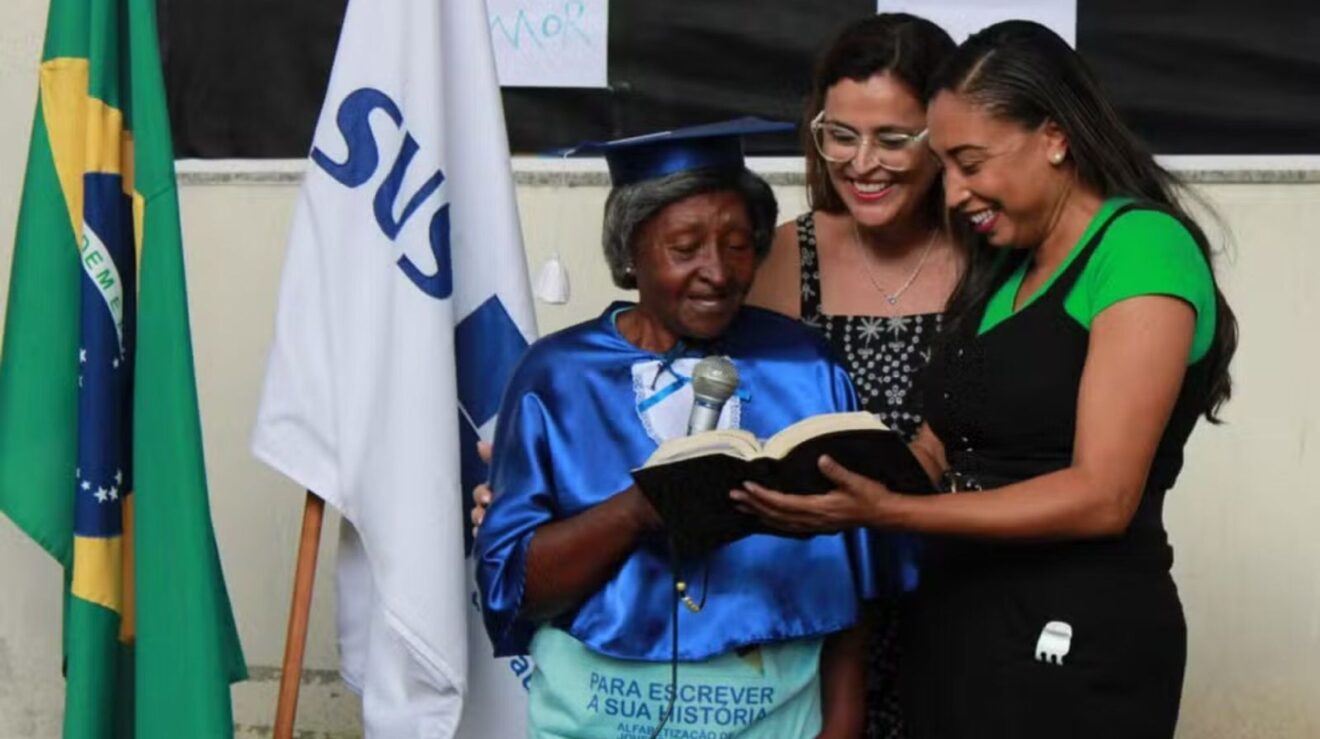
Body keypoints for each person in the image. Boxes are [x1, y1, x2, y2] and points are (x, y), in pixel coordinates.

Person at [733, 20, 1238, 739]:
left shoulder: (1140, 247)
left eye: (970, 161)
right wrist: (802, 490)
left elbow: (1103, 495)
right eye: (946, 164)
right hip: (956, 627)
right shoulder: (1007, 268)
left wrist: (888, 511)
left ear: (1055, 138)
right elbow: (939, 450)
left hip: (1072, 634)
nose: (956, 190)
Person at [474, 119, 898, 738]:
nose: (718, 272)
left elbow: (851, 590)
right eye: (685, 247)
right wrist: (637, 511)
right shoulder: (557, 376)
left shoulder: (806, 370)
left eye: (737, 243)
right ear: (629, 251)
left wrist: (841, 729)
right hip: (598, 716)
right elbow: (515, 588)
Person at [744, 15, 959, 738]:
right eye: (840, 134)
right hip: (817, 606)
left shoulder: (990, 259)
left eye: (895, 139)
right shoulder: (780, 258)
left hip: (961, 595)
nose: (863, 162)